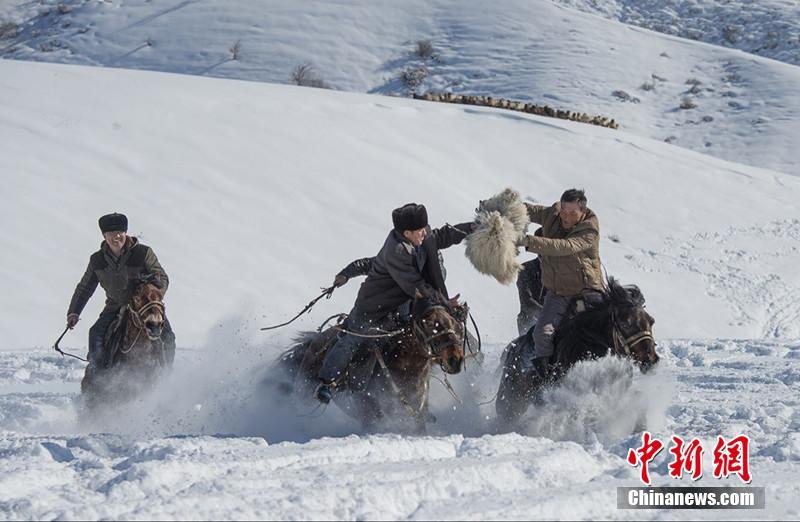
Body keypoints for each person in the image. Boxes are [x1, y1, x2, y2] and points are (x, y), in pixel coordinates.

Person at [315, 203, 473, 403]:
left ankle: (422, 396)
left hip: (404, 303)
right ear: (407, 233)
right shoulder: (396, 252)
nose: (425, 233)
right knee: (352, 340)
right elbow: (416, 286)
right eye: (420, 231)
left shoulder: (419, 237)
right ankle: (328, 381)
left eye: (425, 228)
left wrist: (471, 228)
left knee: (428, 334)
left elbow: (444, 235)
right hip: (373, 308)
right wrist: (443, 301)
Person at [66, 213, 176, 371]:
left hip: (145, 306)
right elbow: (85, 287)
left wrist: (152, 292)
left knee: (168, 336)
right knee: (95, 333)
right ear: (104, 236)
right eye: (111, 233)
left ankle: (167, 375)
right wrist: (74, 313)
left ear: (126, 233)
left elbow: (162, 277)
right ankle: (97, 376)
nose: (116, 236)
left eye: (119, 232)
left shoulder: (143, 253)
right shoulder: (97, 260)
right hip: (114, 306)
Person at [516, 189, 603, 379]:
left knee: (599, 329)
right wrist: (499, 208)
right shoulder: (553, 214)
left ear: (582, 212)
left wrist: (526, 240)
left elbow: (565, 247)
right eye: (564, 209)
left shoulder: (589, 230)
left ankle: (615, 371)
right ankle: (547, 376)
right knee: (541, 335)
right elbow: (526, 210)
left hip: (587, 292)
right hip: (558, 293)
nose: (566, 215)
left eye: (573, 212)